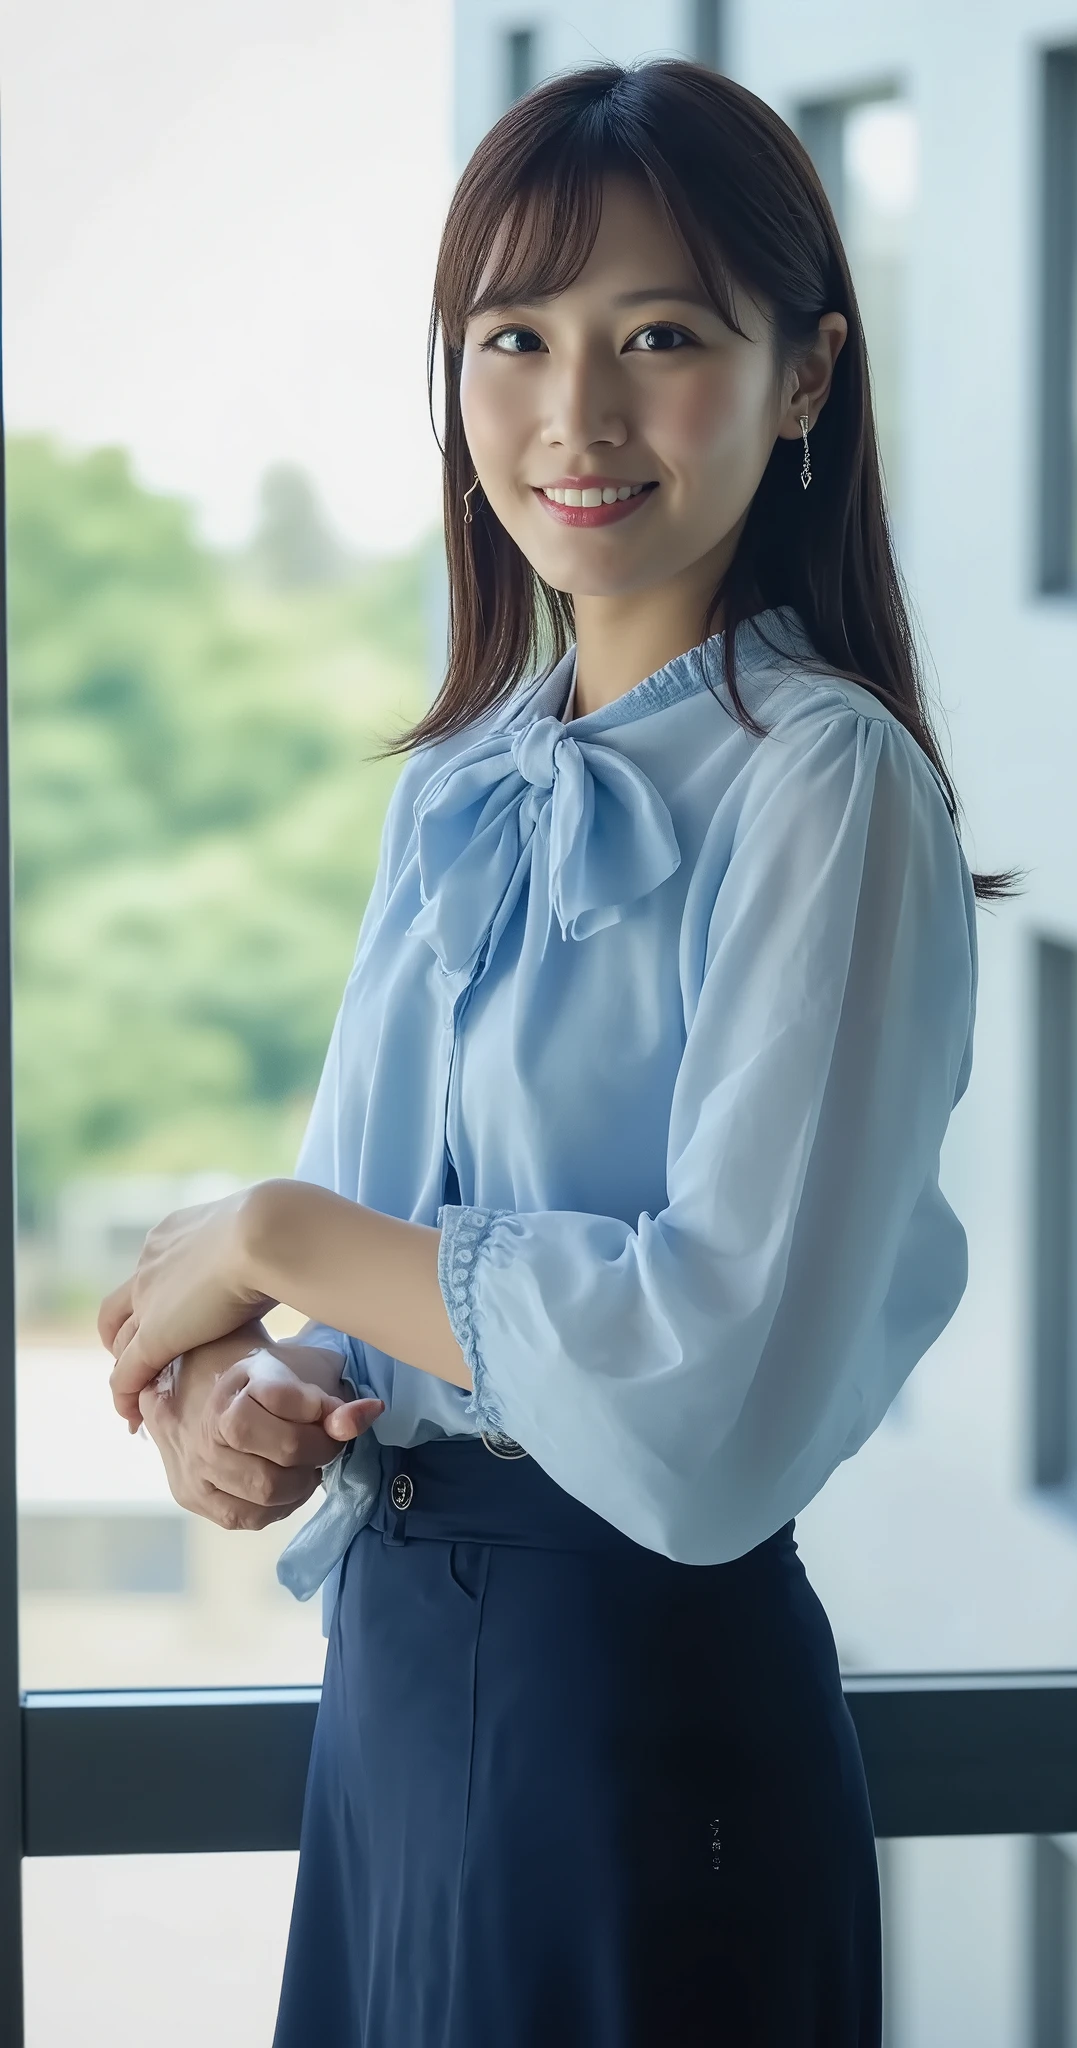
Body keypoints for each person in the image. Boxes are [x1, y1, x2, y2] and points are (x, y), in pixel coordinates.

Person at [99, 57, 1017, 2048]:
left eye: (661, 338)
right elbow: (359, 1293)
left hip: (636, 1721)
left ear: (802, 381)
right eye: (511, 338)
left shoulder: (824, 784)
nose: (572, 416)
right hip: (399, 1697)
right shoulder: (463, 786)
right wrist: (243, 1393)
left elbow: (708, 1394)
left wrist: (267, 1235)